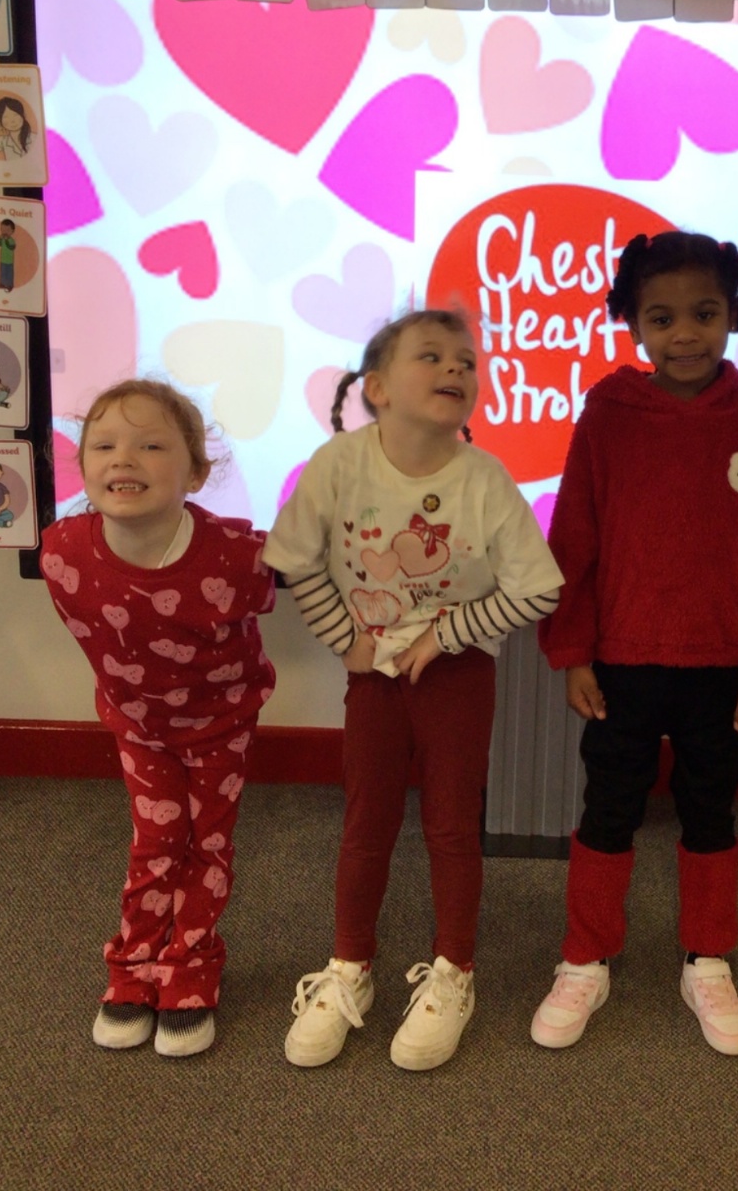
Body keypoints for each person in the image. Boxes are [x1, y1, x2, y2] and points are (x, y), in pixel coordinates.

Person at [531, 231, 738, 1057]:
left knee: (710, 812)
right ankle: (586, 956)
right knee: (608, 809)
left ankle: (708, 958)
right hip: (621, 665)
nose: (684, 333)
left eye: (704, 313)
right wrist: (571, 650)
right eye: (661, 318)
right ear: (633, 323)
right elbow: (575, 536)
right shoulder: (609, 414)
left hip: (722, 672)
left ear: (734, 315)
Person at [267, 309, 563, 1073]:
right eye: (431, 356)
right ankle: (348, 967)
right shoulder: (339, 463)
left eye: (466, 360)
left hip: (456, 677)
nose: (456, 368)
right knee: (365, 822)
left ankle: (454, 970)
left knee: (451, 827)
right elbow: (294, 558)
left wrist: (448, 634)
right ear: (377, 388)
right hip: (373, 678)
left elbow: (539, 587)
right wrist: (349, 643)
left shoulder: (484, 479)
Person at [40, 379, 275, 1057]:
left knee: (207, 845)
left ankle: (192, 966)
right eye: (104, 446)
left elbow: (271, 590)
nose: (123, 458)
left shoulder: (236, 556)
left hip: (221, 726)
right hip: (139, 730)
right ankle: (134, 966)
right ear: (84, 466)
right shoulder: (61, 552)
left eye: (150, 447)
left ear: (196, 473)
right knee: (154, 843)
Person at [0, 219, 16, 292]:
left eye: (7, 230)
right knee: (3, 272)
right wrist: (0, 238)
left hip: (9, 261)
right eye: (3, 230)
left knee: (9, 273)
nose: (5, 232)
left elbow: (12, 247)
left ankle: (9, 285)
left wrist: (7, 240)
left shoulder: (11, 240)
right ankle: (2, 283)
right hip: (2, 259)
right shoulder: (2, 239)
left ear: (12, 231)